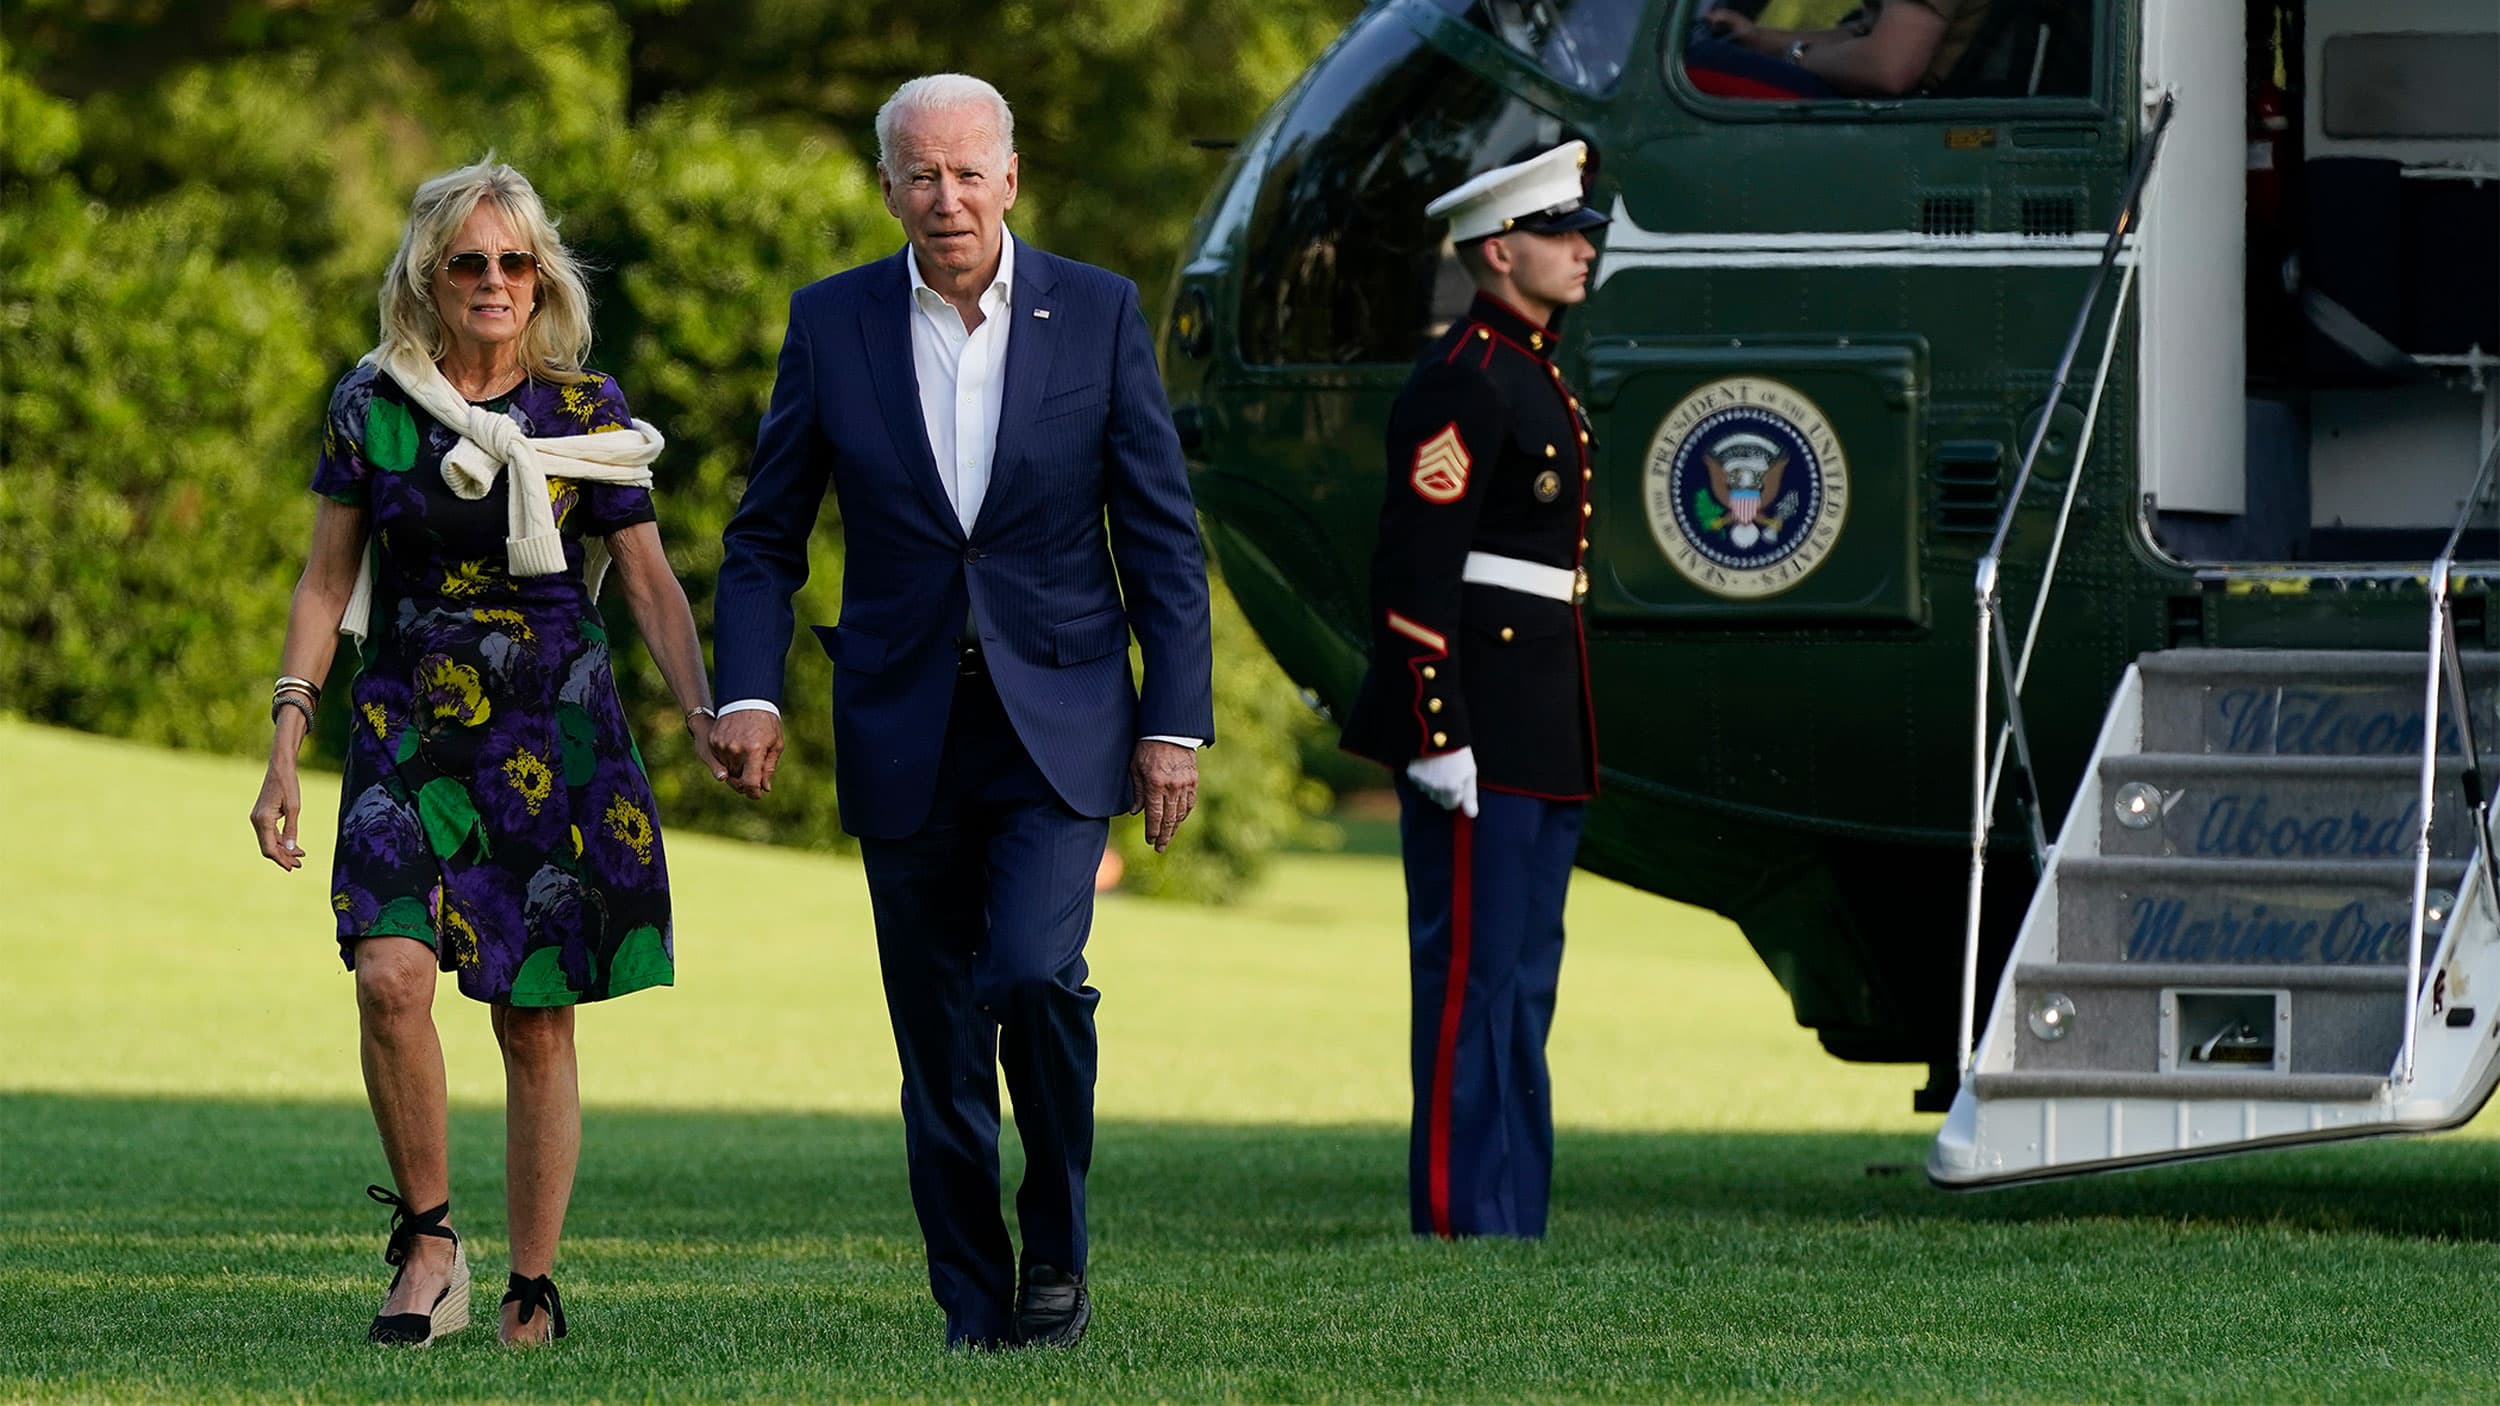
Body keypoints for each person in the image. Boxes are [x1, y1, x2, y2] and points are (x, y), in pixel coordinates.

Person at [709, 74, 1214, 1350]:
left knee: (1035, 975)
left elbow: (1161, 536)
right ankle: (974, 1305)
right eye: (921, 174)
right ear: (887, 188)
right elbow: (764, 538)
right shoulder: (831, 322)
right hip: (903, 718)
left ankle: (1057, 1251)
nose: (947, 197)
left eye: (968, 171)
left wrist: (1175, 721)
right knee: (936, 1032)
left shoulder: (1096, 311)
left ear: (1009, 180)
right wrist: (750, 689)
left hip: (1062, 718)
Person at [248, 159, 718, 1347]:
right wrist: (286, 736)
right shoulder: (373, 404)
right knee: (388, 975)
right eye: (470, 261)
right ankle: (430, 1244)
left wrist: (707, 710)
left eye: (516, 261)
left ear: (543, 277)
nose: (495, 280)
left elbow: (649, 583)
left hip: (549, 728)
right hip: (407, 719)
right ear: (429, 276)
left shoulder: (586, 412)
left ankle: (532, 1282)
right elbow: (325, 580)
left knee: (533, 1015)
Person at [1340, 140, 1605, 1240]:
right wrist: (1435, 728)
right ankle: (1461, 1211)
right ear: (1500, 249)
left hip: (1537, 717)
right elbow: (1415, 568)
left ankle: (1514, 1212)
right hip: (1479, 723)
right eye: (1559, 232)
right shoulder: (1466, 375)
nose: (1583, 248)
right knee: (1470, 974)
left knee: (1525, 976)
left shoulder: (1533, 369)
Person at [1698, 1, 1991, 98]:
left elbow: (1887, 67)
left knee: (1692, 67)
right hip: (1880, 106)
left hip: (1892, 116)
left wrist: (1798, 57)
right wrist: (1759, 39)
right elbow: (1865, 32)